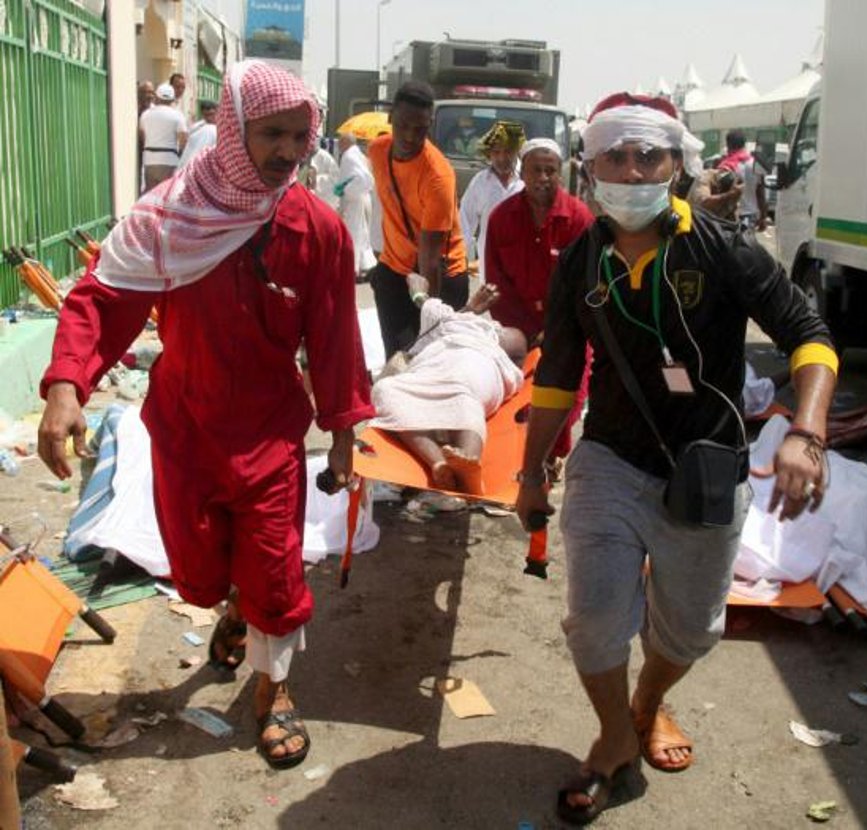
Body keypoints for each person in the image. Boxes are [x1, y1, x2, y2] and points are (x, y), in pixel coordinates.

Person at [37, 60, 373, 771]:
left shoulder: (316, 230)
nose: (288, 150)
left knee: (276, 572)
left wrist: (344, 436)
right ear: (231, 132)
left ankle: (274, 689)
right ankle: (230, 605)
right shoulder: (168, 216)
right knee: (197, 569)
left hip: (268, 437)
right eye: (272, 133)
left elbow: (338, 338)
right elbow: (104, 299)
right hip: (183, 430)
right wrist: (68, 384)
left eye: (299, 134)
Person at [514, 92, 838, 824]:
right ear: (588, 167)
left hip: (706, 467)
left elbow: (806, 331)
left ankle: (647, 703)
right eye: (615, 156)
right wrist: (530, 472)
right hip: (610, 462)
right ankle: (611, 738)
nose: (631, 170)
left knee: (690, 629)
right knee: (592, 617)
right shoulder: (580, 262)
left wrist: (805, 431)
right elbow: (558, 377)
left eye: (647, 156)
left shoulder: (721, 248)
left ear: (674, 163)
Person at [483, 137, 595, 470]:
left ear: (560, 173)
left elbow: (587, 282)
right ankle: (523, 457)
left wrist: (558, 329)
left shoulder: (579, 219)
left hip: (568, 328)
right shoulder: (502, 217)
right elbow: (496, 280)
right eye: (536, 170)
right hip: (520, 328)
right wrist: (522, 330)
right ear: (523, 170)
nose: (543, 177)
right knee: (518, 397)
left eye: (551, 170)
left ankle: (551, 456)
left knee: (568, 394)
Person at [369, 276, 526, 494]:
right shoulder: (448, 321)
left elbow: (419, 291)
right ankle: (439, 462)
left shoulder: (496, 338)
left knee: (465, 399)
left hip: (471, 369)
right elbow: (421, 296)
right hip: (430, 373)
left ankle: (470, 465)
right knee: (385, 390)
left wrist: (466, 310)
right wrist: (468, 310)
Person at [367, 80, 469, 356]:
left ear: (430, 126)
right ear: (390, 118)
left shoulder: (438, 175)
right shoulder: (377, 151)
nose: (410, 137)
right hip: (394, 269)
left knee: (428, 359)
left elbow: (430, 257)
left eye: (420, 129)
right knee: (398, 359)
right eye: (402, 126)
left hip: (438, 276)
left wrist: (430, 315)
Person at [458, 120, 525, 274]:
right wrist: (461, 258)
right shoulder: (480, 183)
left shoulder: (527, 180)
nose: (502, 158)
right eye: (496, 152)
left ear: (516, 151)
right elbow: (465, 222)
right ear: (489, 154)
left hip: (523, 265)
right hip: (489, 265)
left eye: (507, 151)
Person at [335, 132, 377, 273]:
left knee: (354, 234)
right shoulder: (359, 155)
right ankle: (364, 266)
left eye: (341, 142)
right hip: (362, 198)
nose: (339, 145)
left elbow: (364, 179)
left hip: (354, 201)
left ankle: (352, 267)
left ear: (347, 142)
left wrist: (345, 189)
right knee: (362, 234)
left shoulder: (349, 156)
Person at [139, 83, 187, 192]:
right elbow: (183, 139)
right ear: (172, 99)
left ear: (157, 97)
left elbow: (142, 136)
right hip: (169, 160)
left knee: (152, 195)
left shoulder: (145, 114)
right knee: (167, 195)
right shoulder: (177, 116)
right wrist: (179, 154)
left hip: (149, 160)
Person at [717, 129, 767, 230]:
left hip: (730, 217)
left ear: (728, 145)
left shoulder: (724, 167)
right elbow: (760, 193)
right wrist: (763, 217)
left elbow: (719, 196)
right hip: (751, 216)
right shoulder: (756, 164)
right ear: (744, 144)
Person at [179, 99, 218, 166]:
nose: (210, 118)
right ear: (202, 114)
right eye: (206, 115)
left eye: (212, 114)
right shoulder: (196, 128)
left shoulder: (220, 128)